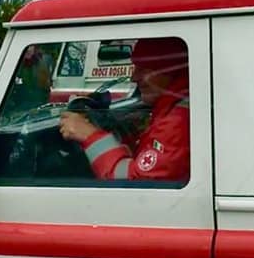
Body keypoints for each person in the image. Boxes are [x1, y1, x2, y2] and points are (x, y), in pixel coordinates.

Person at [59, 37, 190, 182]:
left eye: (144, 69)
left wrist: (89, 135)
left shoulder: (178, 122)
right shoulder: (172, 109)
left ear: (170, 71)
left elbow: (134, 183)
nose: (134, 77)